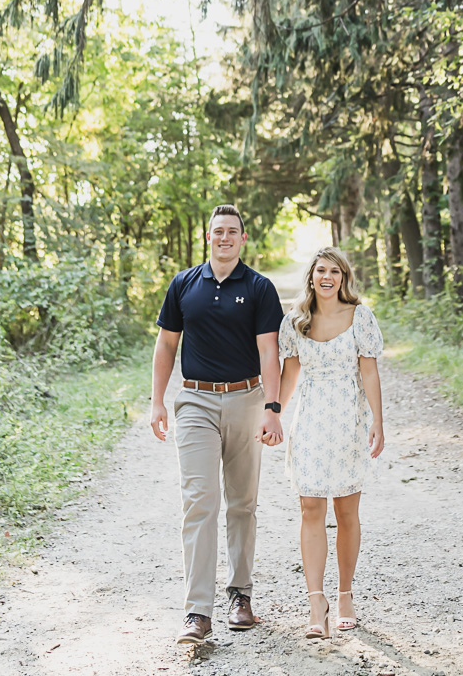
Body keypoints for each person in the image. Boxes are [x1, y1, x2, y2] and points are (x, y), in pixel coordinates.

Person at [150, 203, 285, 648]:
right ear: (208, 237)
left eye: (232, 231)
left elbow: (270, 351)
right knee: (200, 502)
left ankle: (241, 595)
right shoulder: (184, 284)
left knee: (242, 503)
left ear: (243, 239)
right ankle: (197, 611)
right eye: (217, 231)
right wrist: (157, 402)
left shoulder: (260, 288)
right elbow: (166, 345)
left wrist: (272, 406)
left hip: (247, 399)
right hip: (194, 402)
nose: (224, 237)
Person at [278, 246, 384, 639]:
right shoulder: (295, 322)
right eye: (321, 270)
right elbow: (289, 377)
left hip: (350, 421)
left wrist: (378, 422)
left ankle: (345, 595)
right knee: (309, 507)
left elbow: (369, 373)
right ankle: (315, 601)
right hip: (310, 421)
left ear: (344, 278)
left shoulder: (361, 317)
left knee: (346, 511)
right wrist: (273, 414)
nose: (327, 277)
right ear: (311, 276)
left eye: (335, 272)